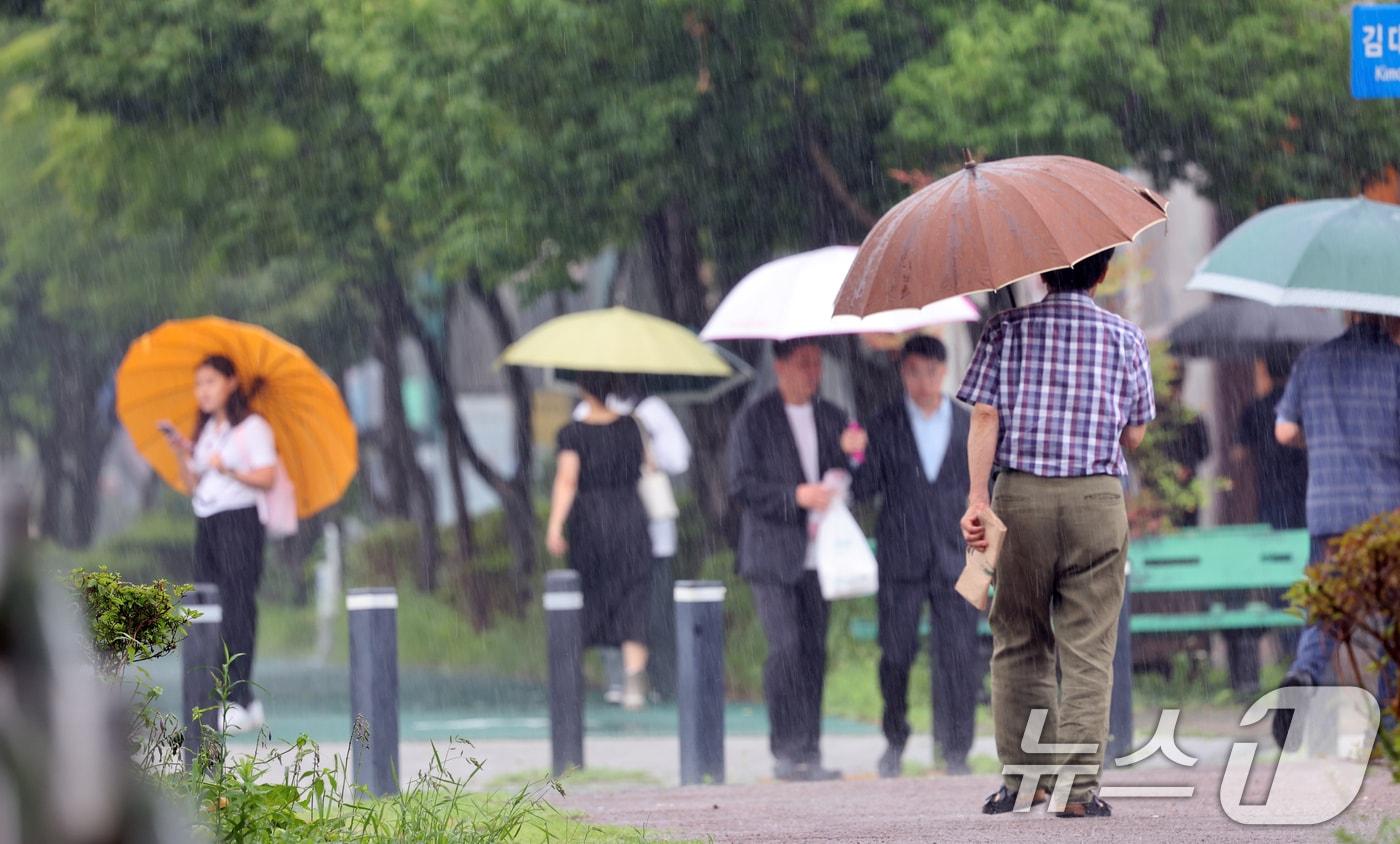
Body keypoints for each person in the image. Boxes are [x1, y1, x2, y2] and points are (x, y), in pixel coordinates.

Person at [958, 248, 1154, 818]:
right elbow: (1136, 435)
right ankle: (1076, 789)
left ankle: (1024, 781)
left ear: (1042, 272)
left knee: (1019, 636)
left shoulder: (1005, 329)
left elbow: (985, 417)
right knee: (1089, 646)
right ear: (1105, 271)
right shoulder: (1125, 336)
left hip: (1021, 500)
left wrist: (976, 499)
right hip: (1096, 499)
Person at [726, 338, 866, 781]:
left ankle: (811, 749)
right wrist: (794, 497)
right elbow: (741, 486)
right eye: (803, 363)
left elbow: (857, 479)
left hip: (820, 555)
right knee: (784, 647)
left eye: (817, 364)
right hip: (772, 555)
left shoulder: (832, 417)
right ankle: (785, 748)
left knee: (813, 651)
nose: (813, 372)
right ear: (781, 366)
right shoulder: (755, 419)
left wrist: (856, 452)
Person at [852, 336, 980, 778]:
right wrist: (853, 454)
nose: (922, 382)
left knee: (959, 654)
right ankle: (895, 737)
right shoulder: (882, 424)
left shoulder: (969, 424)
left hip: (955, 554)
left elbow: (986, 487)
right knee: (896, 652)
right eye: (913, 372)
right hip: (900, 556)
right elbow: (863, 489)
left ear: (944, 373)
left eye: (930, 372)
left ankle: (956, 748)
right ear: (902, 373)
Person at [1271, 313, 1400, 747]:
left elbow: (1284, 430)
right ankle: (1390, 722)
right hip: (1385, 515)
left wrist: (1325, 439)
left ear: (1346, 313)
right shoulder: (1395, 364)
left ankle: (1304, 673)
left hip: (1328, 508)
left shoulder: (1312, 360)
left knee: (1326, 610)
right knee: (1391, 617)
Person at [160, 355, 278, 734]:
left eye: (210, 382)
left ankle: (239, 696)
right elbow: (192, 483)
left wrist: (227, 467)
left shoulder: (253, 427)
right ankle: (221, 695)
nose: (203, 391)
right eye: (199, 384)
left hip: (240, 519)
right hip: (208, 519)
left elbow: (268, 476)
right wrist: (182, 450)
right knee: (207, 603)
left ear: (231, 382)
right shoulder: (209, 429)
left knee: (238, 603)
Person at [572, 378, 691, 702]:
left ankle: (658, 681)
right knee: (607, 601)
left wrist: (646, 445)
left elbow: (679, 458)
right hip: (603, 529)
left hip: (650, 529)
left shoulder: (650, 411)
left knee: (652, 606)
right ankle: (619, 679)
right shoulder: (585, 412)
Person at [547, 371, 653, 709]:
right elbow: (650, 465)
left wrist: (554, 526)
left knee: (589, 595)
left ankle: (570, 682)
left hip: (591, 523)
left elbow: (567, 481)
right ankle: (634, 684)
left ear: (581, 388)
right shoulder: (631, 426)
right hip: (631, 518)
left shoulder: (572, 433)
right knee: (634, 595)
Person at [1232, 351, 1307, 530]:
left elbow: (1238, 453)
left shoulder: (1255, 408)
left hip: (1269, 484)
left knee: (1273, 535)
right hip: (1301, 484)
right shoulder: (1302, 408)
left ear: (1268, 372)